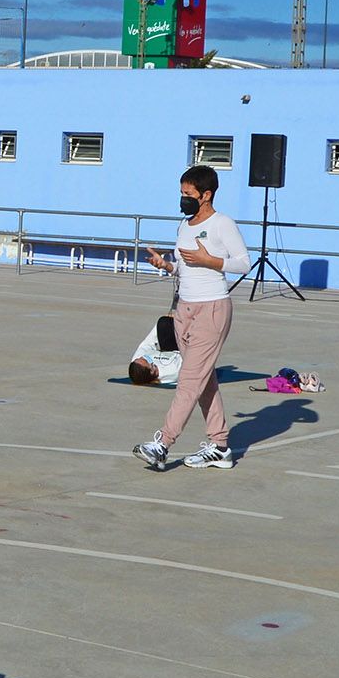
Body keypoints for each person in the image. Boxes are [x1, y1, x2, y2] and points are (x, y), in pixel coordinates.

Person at [133, 165, 249, 469]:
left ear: (206, 195)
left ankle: (163, 443)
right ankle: (220, 445)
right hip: (185, 308)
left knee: (189, 379)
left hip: (212, 309)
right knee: (203, 379)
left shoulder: (223, 224)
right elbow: (184, 267)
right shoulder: (184, 226)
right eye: (182, 193)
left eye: (189, 194)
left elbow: (244, 264)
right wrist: (167, 266)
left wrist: (209, 260)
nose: (183, 198)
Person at [126, 315, 183, 386]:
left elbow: (148, 342)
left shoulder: (138, 363)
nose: (143, 357)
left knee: (163, 322)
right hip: (184, 351)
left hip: (168, 349)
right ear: (152, 371)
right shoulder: (172, 371)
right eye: (147, 361)